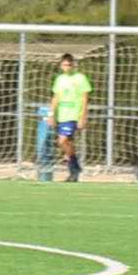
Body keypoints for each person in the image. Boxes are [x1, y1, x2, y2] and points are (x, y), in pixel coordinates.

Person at [50, 53, 91, 182]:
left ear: (73, 65)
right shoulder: (60, 79)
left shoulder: (80, 78)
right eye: (64, 65)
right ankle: (74, 172)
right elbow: (56, 97)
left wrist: (83, 116)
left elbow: (85, 98)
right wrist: (51, 114)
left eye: (69, 64)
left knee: (62, 141)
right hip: (62, 115)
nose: (66, 67)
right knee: (67, 143)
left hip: (73, 115)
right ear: (61, 65)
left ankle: (75, 166)